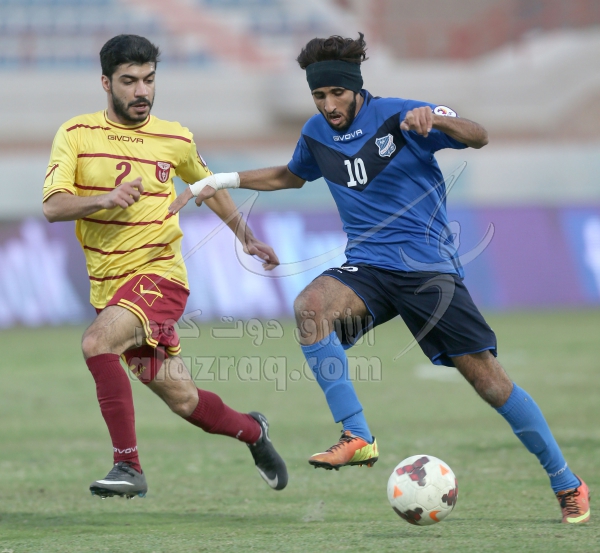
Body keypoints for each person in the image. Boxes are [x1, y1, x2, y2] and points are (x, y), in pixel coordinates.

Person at [169, 33, 590, 523]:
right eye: (319, 95)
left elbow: (478, 136)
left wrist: (440, 120)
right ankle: (357, 435)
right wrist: (222, 180)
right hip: (368, 267)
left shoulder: (400, 115)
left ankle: (567, 481)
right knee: (310, 308)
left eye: (337, 94)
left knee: (490, 382)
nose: (329, 105)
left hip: (427, 270)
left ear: (356, 88)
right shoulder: (316, 132)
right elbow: (292, 175)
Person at [42, 34, 288, 499]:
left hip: (160, 277)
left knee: (96, 343)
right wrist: (104, 199)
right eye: (129, 81)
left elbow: (208, 186)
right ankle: (254, 431)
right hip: (109, 290)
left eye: (149, 80)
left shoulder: (176, 137)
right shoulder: (75, 134)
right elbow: (53, 207)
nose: (142, 91)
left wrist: (247, 236)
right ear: (106, 83)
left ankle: (128, 467)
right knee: (185, 400)